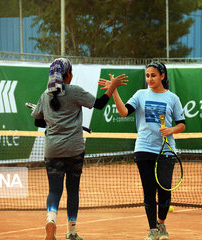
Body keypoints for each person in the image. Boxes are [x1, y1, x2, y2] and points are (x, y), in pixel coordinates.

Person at [31, 58, 128, 240]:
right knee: (72, 190)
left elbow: (38, 121)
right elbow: (99, 104)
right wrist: (112, 86)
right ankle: (72, 232)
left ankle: (51, 219)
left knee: (54, 190)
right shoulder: (75, 91)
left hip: (52, 150)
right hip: (74, 149)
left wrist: (54, 120)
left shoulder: (45, 95)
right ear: (68, 74)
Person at [99, 61, 185, 240]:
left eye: (153, 75)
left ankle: (161, 224)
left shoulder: (173, 98)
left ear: (162, 76)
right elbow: (124, 112)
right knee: (148, 190)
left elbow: (182, 124)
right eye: (147, 75)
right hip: (144, 148)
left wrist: (170, 130)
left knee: (164, 192)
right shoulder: (140, 95)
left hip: (166, 151)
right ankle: (152, 229)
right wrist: (114, 90)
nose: (150, 79)